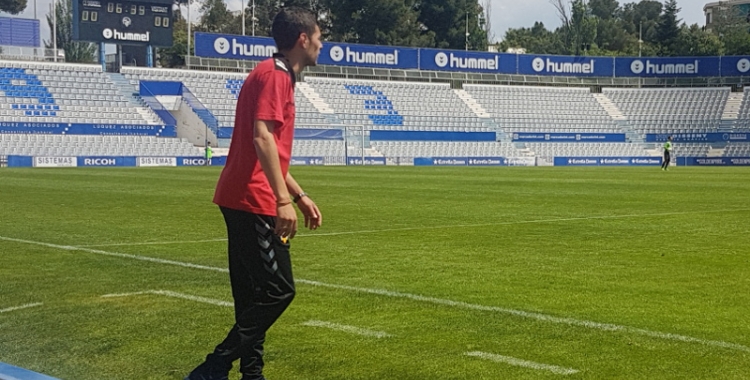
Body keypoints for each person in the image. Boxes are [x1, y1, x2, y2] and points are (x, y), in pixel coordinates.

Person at [185, 7, 323, 380]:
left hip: (239, 194)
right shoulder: (276, 76)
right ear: (302, 39)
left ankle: (252, 372)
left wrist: (299, 194)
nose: (321, 45)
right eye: (319, 37)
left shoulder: (268, 73)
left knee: (251, 295)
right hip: (253, 198)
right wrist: (281, 201)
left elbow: (272, 150)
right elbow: (262, 136)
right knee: (278, 291)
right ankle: (213, 367)